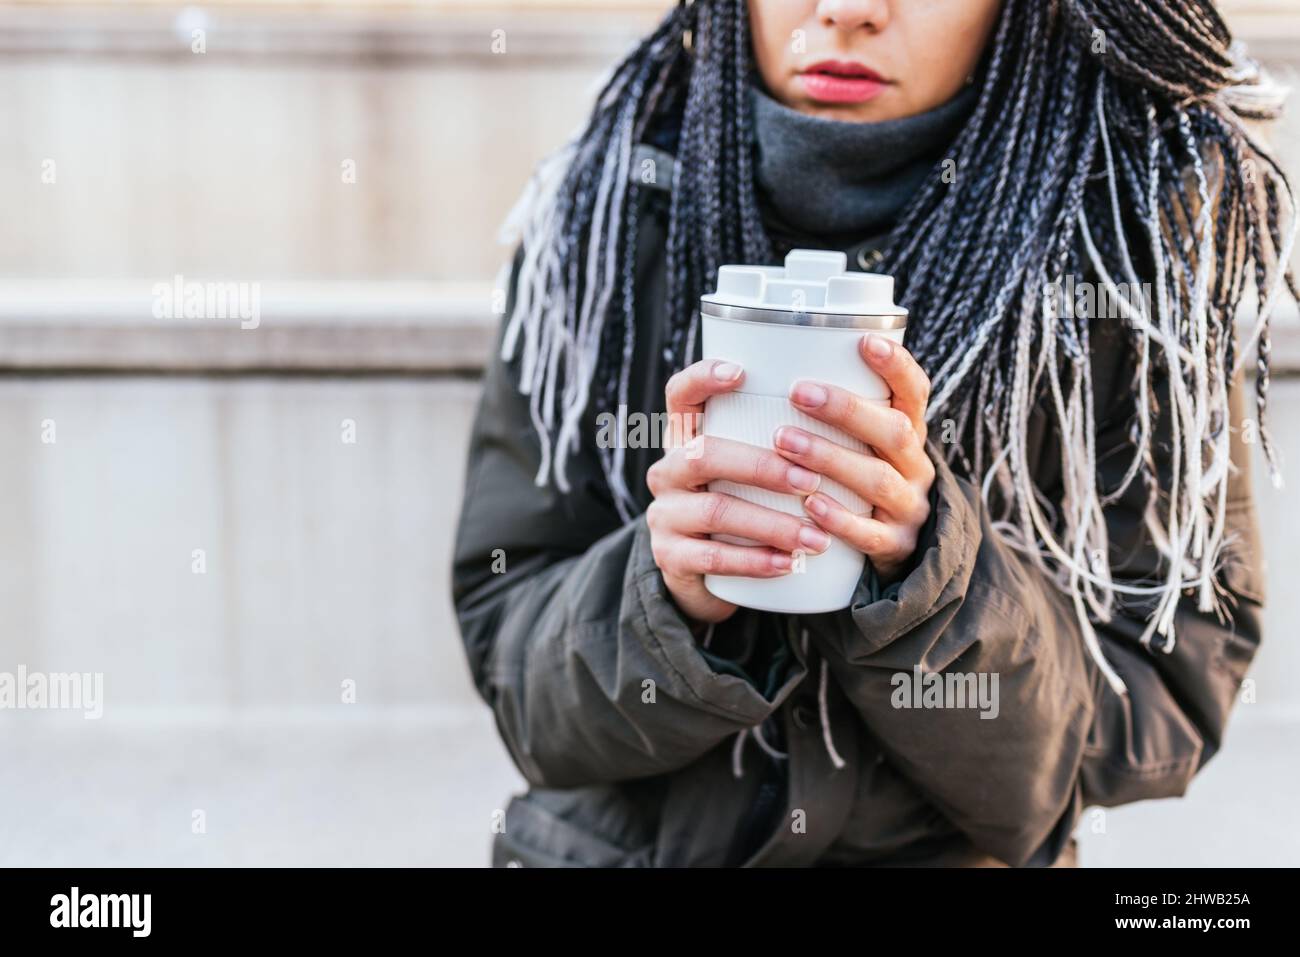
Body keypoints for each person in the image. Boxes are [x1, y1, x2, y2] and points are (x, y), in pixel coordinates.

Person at [452, 0, 1296, 867]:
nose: (848, 10)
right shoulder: (599, 215)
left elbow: (1167, 688)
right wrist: (666, 599)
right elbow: (510, 644)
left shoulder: (1121, 246)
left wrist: (934, 585)